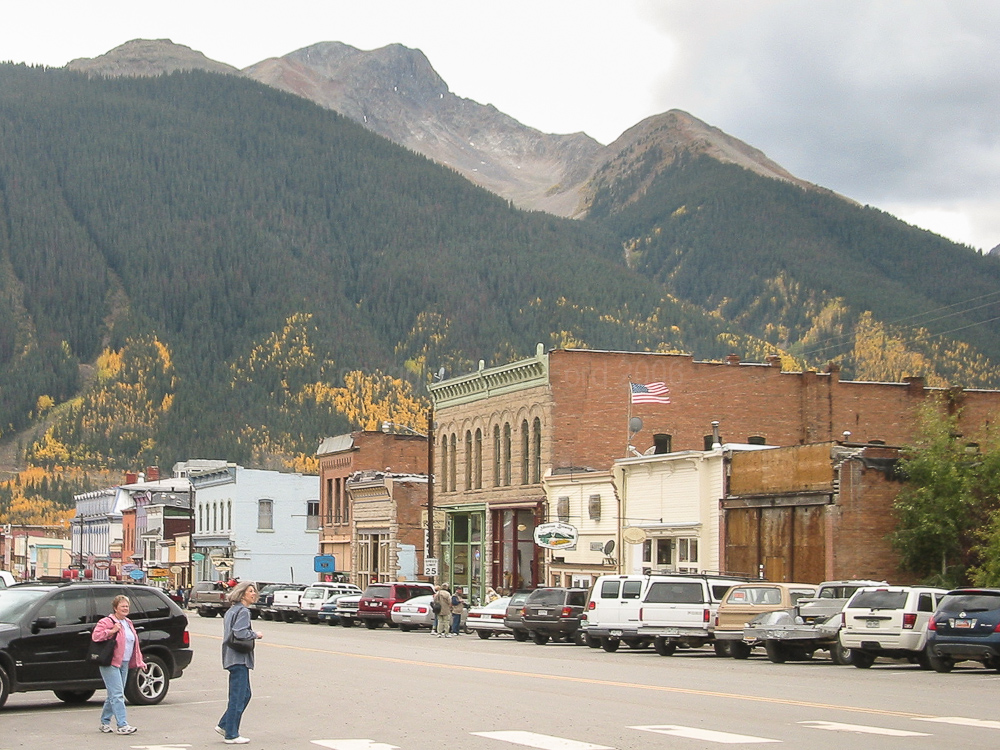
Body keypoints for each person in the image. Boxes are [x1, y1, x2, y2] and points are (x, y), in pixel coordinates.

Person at [92, 594, 146, 735]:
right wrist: (112, 631)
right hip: (110, 662)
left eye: (127, 606)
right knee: (117, 694)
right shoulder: (107, 621)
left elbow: (134, 645)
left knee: (114, 695)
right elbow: (96, 636)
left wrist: (140, 661)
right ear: (115, 608)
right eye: (122, 606)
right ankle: (122, 725)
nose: (125, 608)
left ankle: (104, 722)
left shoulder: (128, 622)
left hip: (125, 662)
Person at [217, 581, 263, 744]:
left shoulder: (232, 610)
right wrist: (255, 634)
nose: (253, 594)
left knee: (245, 694)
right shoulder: (243, 611)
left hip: (231, 657)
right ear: (242, 594)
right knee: (238, 696)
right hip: (239, 658)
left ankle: (224, 724)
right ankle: (232, 734)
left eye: (254, 591)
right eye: (250, 591)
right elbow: (240, 632)